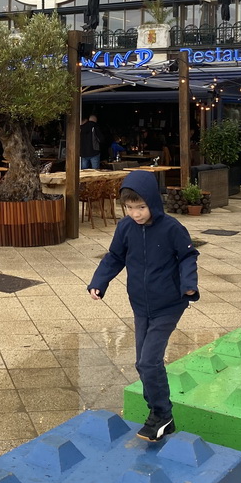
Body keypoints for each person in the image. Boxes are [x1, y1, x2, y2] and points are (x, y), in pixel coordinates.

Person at [88, 170, 199, 442]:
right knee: (142, 363)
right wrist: (99, 282)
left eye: (141, 207)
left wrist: (189, 284)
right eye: (129, 208)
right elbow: (114, 257)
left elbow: (187, 256)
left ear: (153, 201)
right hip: (141, 305)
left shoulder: (172, 228)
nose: (136, 213)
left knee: (149, 361)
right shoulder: (126, 228)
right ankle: (158, 413)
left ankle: (162, 415)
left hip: (169, 305)